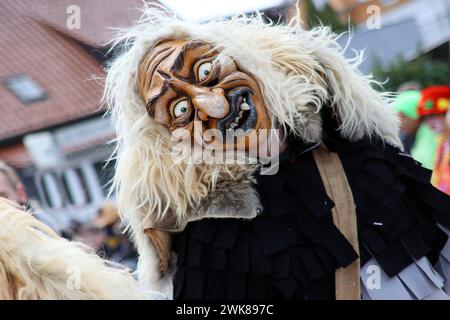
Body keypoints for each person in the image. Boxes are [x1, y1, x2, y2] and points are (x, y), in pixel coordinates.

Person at [103, 5, 450, 300]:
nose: (214, 104)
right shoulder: (210, 240)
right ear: (169, 141)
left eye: (206, 71)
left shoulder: (365, 157)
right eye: (179, 109)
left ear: (248, 61)